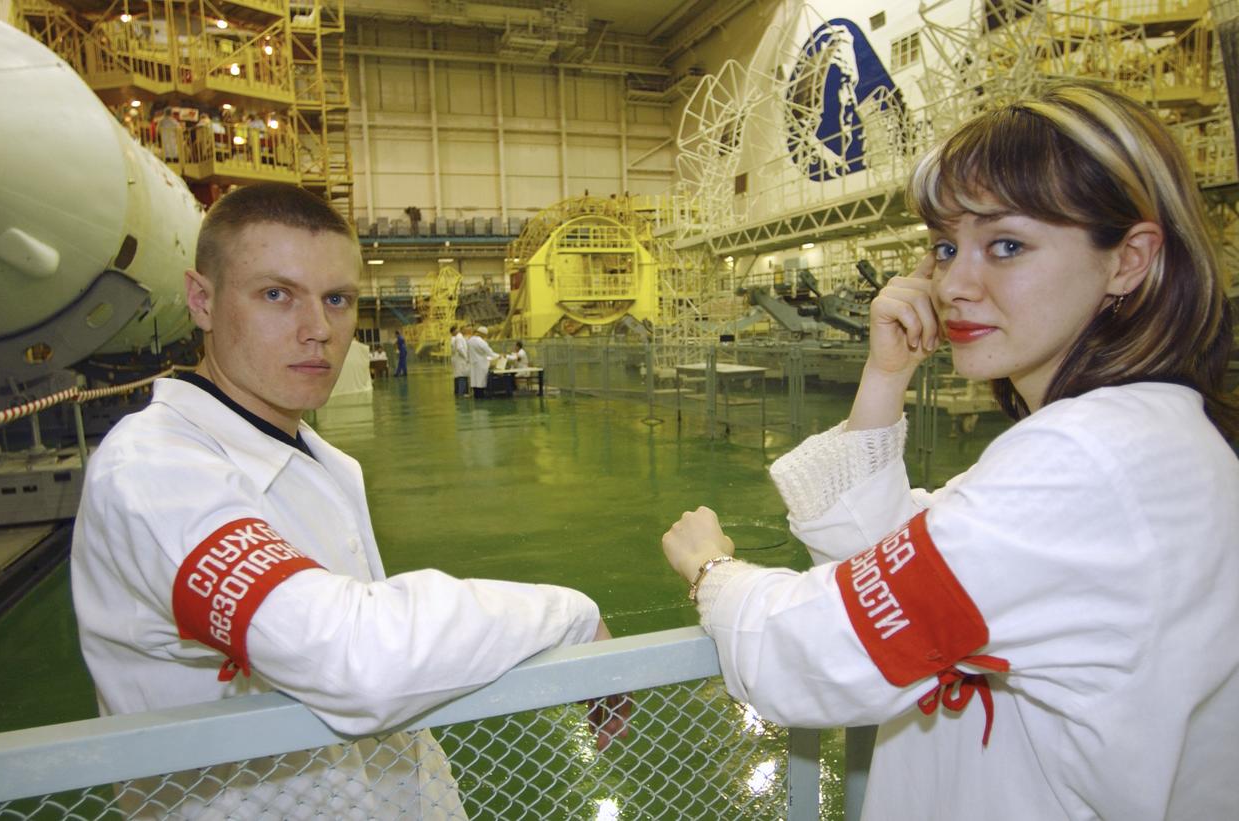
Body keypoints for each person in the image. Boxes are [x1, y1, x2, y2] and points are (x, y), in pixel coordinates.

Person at [661, 83, 1238, 821]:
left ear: (1128, 261)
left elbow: (815, 646)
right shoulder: (1134, 441)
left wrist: (711, 571)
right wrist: (887, 376)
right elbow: (886, 557)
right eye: (944, 246)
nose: (954, 284)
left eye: (1006, 245)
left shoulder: (1089, 461)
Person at [72, 183, 626, 818]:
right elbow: (351, 657)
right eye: (276, 295)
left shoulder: (315, 457)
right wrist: (568, 615)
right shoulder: (156, 472)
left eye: (336, 300)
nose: (318, 331)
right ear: (202, 300)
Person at [467, 325, 497, 399]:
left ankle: (476, 398)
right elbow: (490, 353)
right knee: (480, 384)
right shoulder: (481, 342)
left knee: (475, 383)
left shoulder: (470, 340)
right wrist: (500, 356)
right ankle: (480, 399)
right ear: (482, 334)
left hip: (473, 364)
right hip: (481, 365)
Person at [450, 324, 469, 396]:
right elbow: (459, 348)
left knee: (458, 376)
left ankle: (458, 393)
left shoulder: (457, 338)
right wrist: (466, 357)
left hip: (458, 360)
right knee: (462, 376)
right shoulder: (459, 338)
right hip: (461, 360)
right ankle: (462, 393)